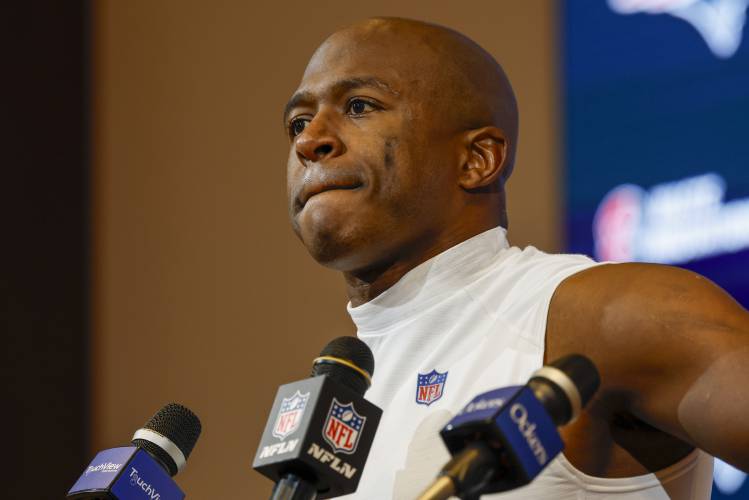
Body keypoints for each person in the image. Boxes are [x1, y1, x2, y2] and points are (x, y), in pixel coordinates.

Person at [283, 17, 749, 499]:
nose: (308, 140)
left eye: (359, 106)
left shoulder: (603, 316)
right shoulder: (332, 410)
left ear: (477, 159)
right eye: (297, 123)